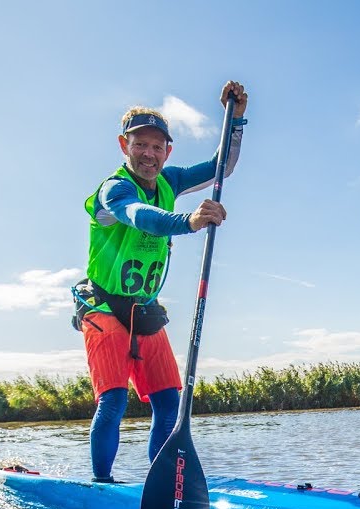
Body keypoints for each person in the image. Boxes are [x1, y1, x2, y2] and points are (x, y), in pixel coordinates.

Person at [77, 80, 248, 482]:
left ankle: (159, 485)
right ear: (125, 146)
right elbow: (137, 215)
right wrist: (187, 221)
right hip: (103, 308)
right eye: (140, 145)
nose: (149, 154)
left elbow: (222, 167)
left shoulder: (170, 180)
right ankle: (102, 486)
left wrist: (236, 121)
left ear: (167, 151)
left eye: (157, 146)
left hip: (145, 311)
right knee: (114, 402)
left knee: (170, 402)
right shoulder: (113, 189)